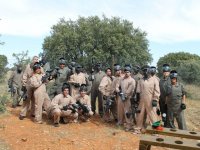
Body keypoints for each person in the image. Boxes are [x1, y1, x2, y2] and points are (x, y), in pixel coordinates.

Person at [134, 65, 160, 134]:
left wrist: (155, 99)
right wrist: (137, 98)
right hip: (142, 100)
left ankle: (156, 131)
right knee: (140, 114)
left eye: (146, 70)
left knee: (153, 115)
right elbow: (138, 90)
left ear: (149, 70)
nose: (145, 72)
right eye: (143, 70)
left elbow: (157, 91)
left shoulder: (154, 80)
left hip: (150, 99)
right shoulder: (141, 80)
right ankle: (138, 129)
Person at [19, 56, 44, 120]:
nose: (36, 60)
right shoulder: (29, 66)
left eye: (37, 59)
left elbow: (43, 74)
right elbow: (25, 75)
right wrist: (24, 84)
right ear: (32, 60)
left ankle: (33, 113)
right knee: (27, 99)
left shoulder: (40, 67)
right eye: (35, 59)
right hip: (29, 84)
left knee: (35, 100)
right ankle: (23, 114)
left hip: (37, 85)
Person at [115, 65, 136, 131]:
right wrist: (118, 91)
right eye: (125, 72)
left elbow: (130, 90)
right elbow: (117, 86)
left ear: (130, 72)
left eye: (128, 72)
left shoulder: (132, 80)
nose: (126, 73)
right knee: (120, 110)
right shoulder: (122, 79)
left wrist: (125, 95)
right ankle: (120, 122)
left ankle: (129, 125)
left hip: (128, 98)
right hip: (121, 96)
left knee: (127, 112)